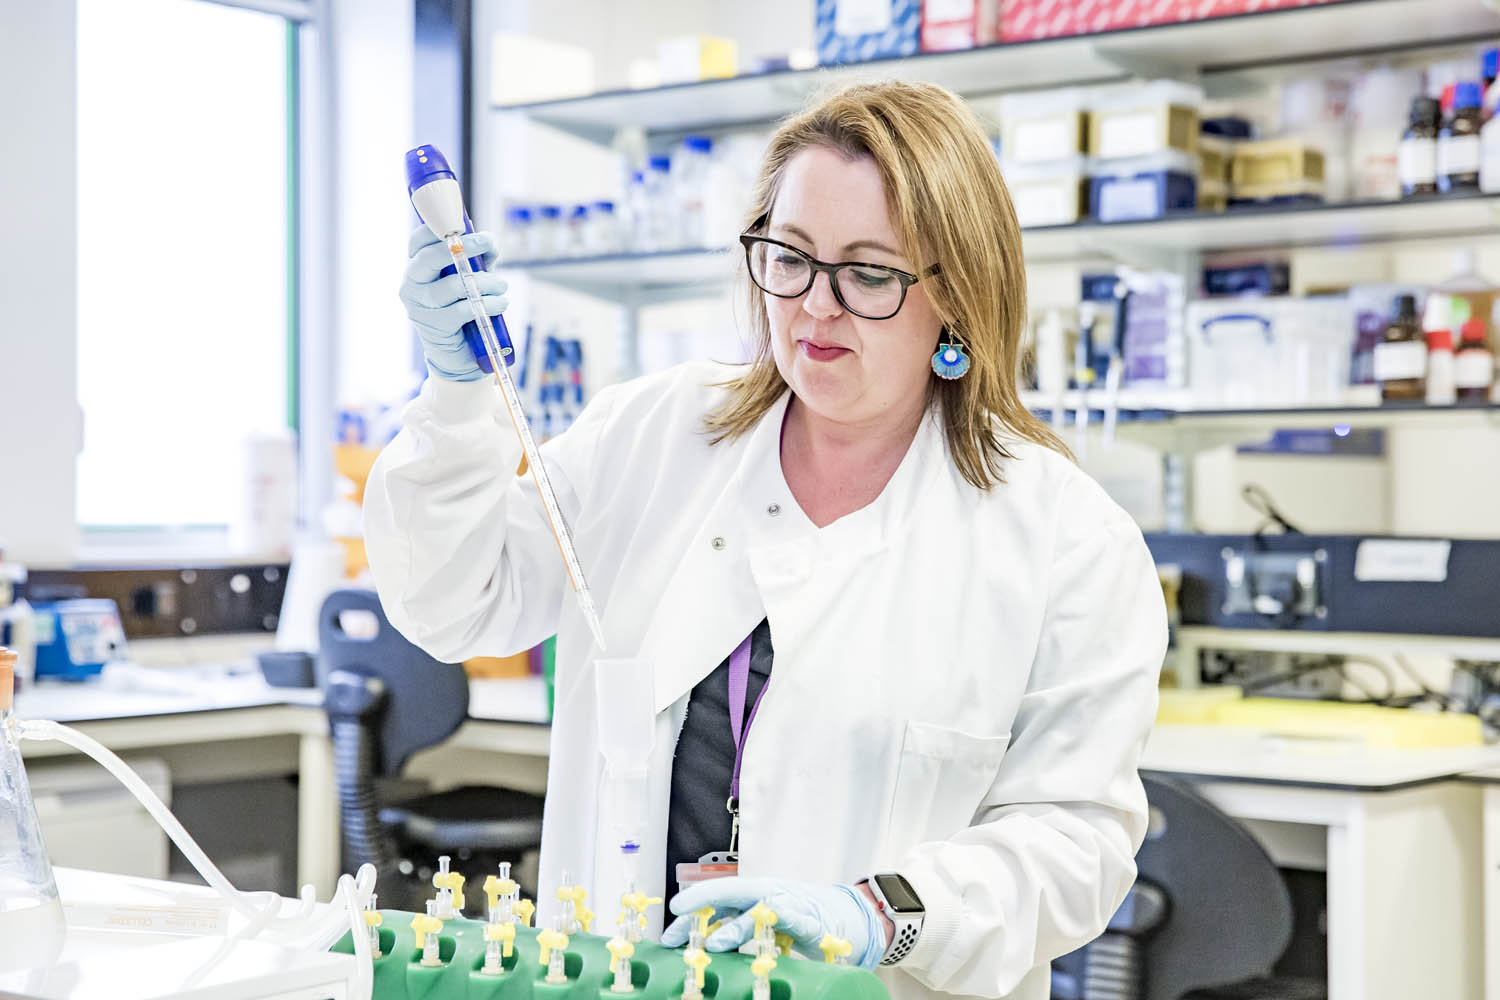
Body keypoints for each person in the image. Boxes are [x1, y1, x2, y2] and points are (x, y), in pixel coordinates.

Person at [366, 79, 1166, 1000]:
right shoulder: (653, 436)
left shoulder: (1065, 540)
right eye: (789, 257)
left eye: (868, 273)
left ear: (957, 292)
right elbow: (452, 599)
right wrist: (459, 397)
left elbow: (1074, 842)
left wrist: (881, 914)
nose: (815, 307)